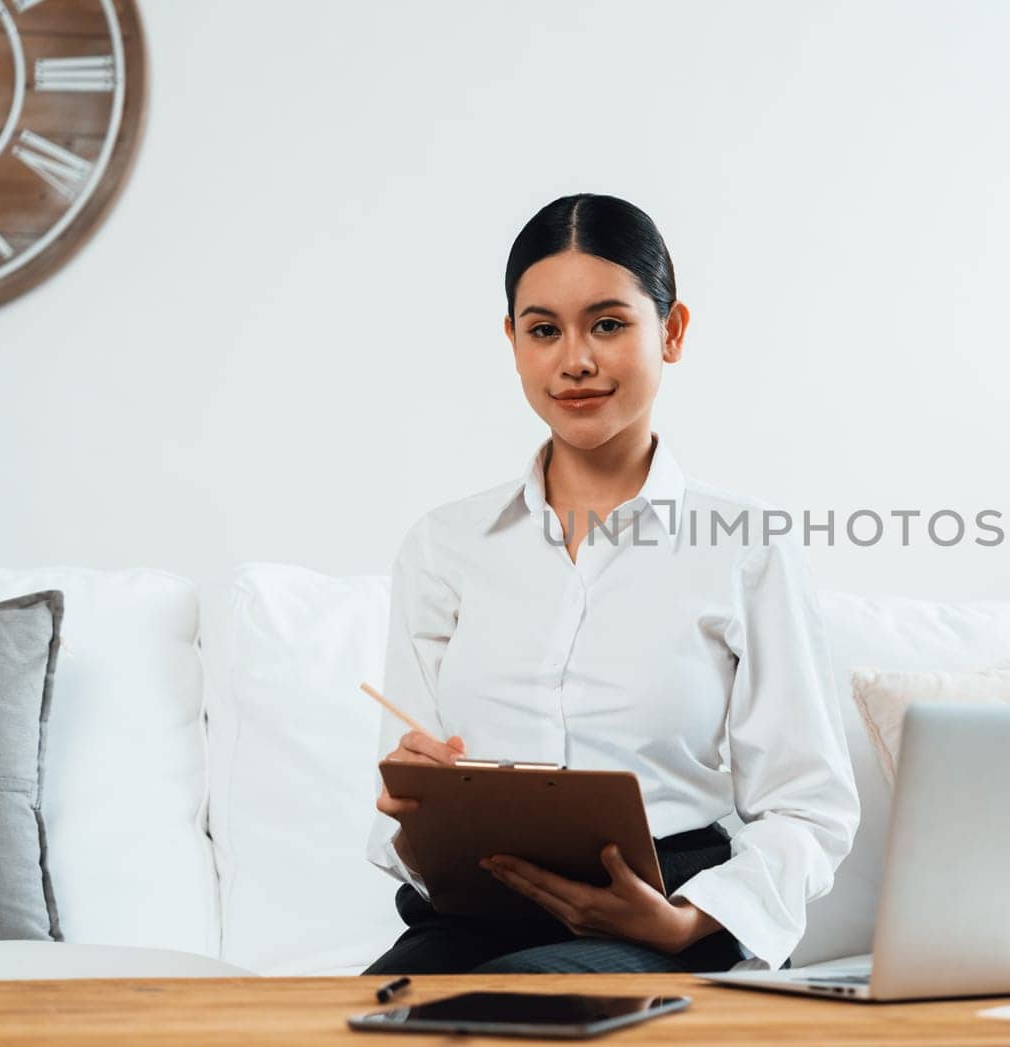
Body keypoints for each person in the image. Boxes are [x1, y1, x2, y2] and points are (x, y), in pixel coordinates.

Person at [361, 193, 861, 976]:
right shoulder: (443, 546)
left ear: (673, 330)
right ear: (513, 342)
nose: (575, 361)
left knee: (509, 1006)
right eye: (543, 330)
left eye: (608, 324)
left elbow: (809, 803)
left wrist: (686, 920)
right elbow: (405, 798)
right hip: (474, 919)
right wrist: (410, 809)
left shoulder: (746, 544)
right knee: (343, 1023)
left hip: (661, 922)